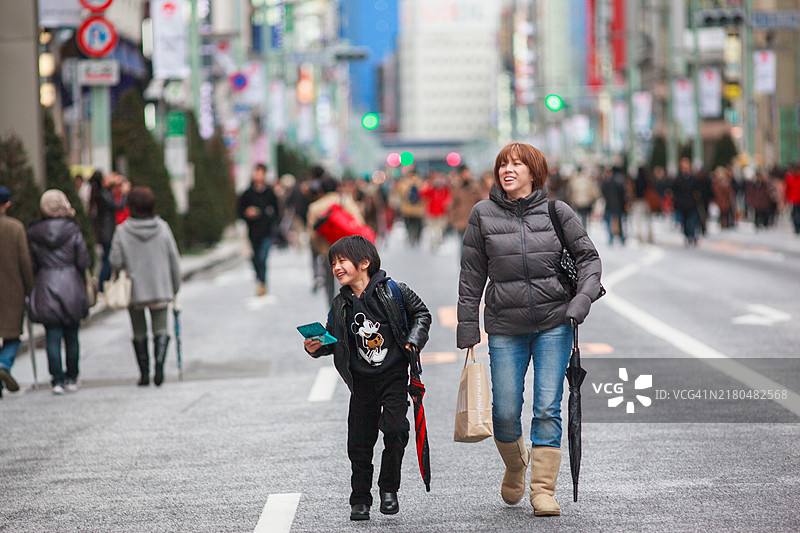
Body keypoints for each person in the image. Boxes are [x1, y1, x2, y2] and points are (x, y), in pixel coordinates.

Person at [457, 142, 602, 516]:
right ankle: (515, 464)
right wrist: (467, 326)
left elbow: (589, 259)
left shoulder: (558, 211)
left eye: (517, 164)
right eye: (503, 164)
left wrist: (581, 301)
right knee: (504, 410)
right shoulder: (482, 214)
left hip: (555, 323)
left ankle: (542, 490)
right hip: (506, 326)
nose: (508, 169)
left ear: (534, 173)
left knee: (547, 407)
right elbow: (472, 274)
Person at [303, 235, 432, 522]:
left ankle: (389, 489)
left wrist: (413, 340)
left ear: (364, 263)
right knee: (359, 444)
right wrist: (316, 347)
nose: (336, 267)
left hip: (394, 377)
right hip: (361, 384)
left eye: (342, 261)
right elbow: (333, 340)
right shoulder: (340, 305)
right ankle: (359, 499)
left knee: (396, 430)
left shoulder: (394, 291)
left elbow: (422, 313)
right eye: (333, 262)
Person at [110, 187, 181, 387]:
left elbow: (115, 260)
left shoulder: (122, 230)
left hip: (135, 290)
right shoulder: (163, 228)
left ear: (130, 206)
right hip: (160, 288)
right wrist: (175, 287)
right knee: (161, 327)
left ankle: (144, 373)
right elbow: (173, 258)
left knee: (139, 331)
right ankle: (159, 366)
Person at [27, 190, 90, 395]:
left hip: (46, 283)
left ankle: (56, 379)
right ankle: (72, 377)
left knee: (52, 336)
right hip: (71, 283)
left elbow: (32, 264)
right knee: (72, 335)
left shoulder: (34, 233)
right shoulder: (73, 229)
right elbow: (83, 261)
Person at [306, 177, 365, 304]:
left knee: (329, 281)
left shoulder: (315, 207)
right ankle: (349, 305)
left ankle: (332, 306)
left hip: (327, 251)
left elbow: (312, 235)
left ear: (321, 190)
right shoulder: (345, 202)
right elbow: (359, 222)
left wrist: (319, 249)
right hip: (347, 251)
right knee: (349, 280)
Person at [0, 187, 35, 397]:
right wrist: (30, 289)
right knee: (13, 336)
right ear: (7, 204)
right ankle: (3, 364)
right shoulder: (15, 228)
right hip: (12, 289)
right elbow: (24, 261)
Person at [238, 163, 280, 297]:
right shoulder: (247, 193)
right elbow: (239, 211)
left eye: (261, 173)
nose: (258, 176)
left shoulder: (269, 192)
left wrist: (269, 217)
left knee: (263, 258)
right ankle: (260, 279)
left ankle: (262, 283)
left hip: (267, 231)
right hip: (253, 231)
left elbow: (277, 211)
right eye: (256, 173)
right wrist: (247, 213)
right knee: (255, 258)